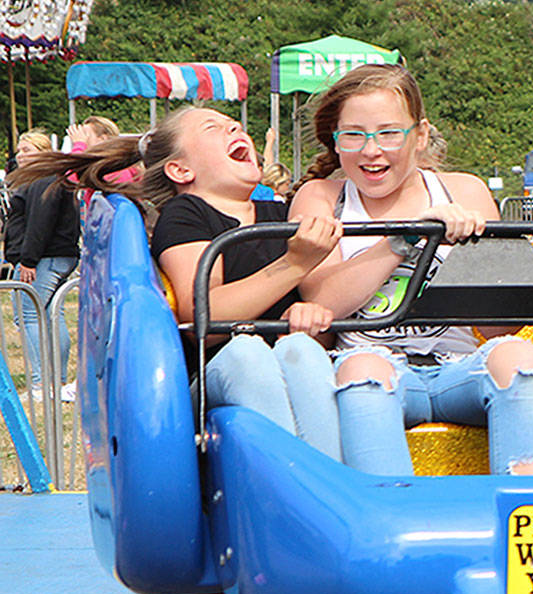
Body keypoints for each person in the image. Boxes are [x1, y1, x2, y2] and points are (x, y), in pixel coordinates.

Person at [289, 64, 533, 477]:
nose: (371, 150)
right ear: (337, 142)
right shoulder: (321, 197)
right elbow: (322, 302)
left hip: (457, 366)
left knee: (520, 358)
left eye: (389, 133)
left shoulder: (464, 191)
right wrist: (407, 238)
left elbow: (498, 326)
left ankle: (530, 509)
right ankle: (389, 512)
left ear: (420, 135)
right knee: (365, 373)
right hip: (370, 359)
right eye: (354, 135)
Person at [11, 108, 345, 458]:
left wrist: (313, 319)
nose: (235, 128)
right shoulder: (186, 215)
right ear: (181, 170)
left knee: (305, 351)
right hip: (217, 372)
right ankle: (289, 485)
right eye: (213, 128)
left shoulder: (281, 216)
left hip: (283, 363)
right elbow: (207, 316)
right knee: (247, 353)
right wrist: (294, 263)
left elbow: (320, 328)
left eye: (235, 124)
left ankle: (329, 479)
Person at [3, 129, 78, 398]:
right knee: (50, 314)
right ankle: (56, 383)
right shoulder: (46, 179)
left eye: (28, 150)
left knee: (29, 315)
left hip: (44, 257)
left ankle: (40, 385)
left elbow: (39, 223)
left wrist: (28, 260)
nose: (21, 156)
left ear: (44, 152)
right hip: (53, 255)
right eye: (20, 151)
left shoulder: (44, 180)